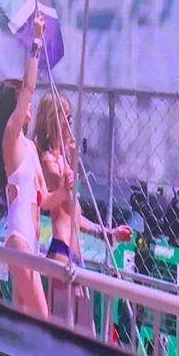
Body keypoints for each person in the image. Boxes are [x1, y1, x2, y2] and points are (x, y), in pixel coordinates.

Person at [0, 15, 71, 319]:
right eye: (23, 101)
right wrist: (36, 41)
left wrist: (65, 191)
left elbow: (44, 201)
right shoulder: (12, 140)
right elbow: (30, 87)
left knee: (24, 322)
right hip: (19, 242)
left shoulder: (30, 148)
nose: (29, 104)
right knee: (43, 320)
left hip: (31, 244)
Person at [35, 89, 130, 322]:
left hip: (73, 255)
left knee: (81, 324)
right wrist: (74, 162)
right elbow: (64, 201)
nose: (70, 123)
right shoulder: (49, 161)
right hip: (61, 253)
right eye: (66, 117)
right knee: (66, 326)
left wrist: (106, 233)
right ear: (53, 121)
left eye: (71, 117)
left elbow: (74, 217)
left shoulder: (62, 160)